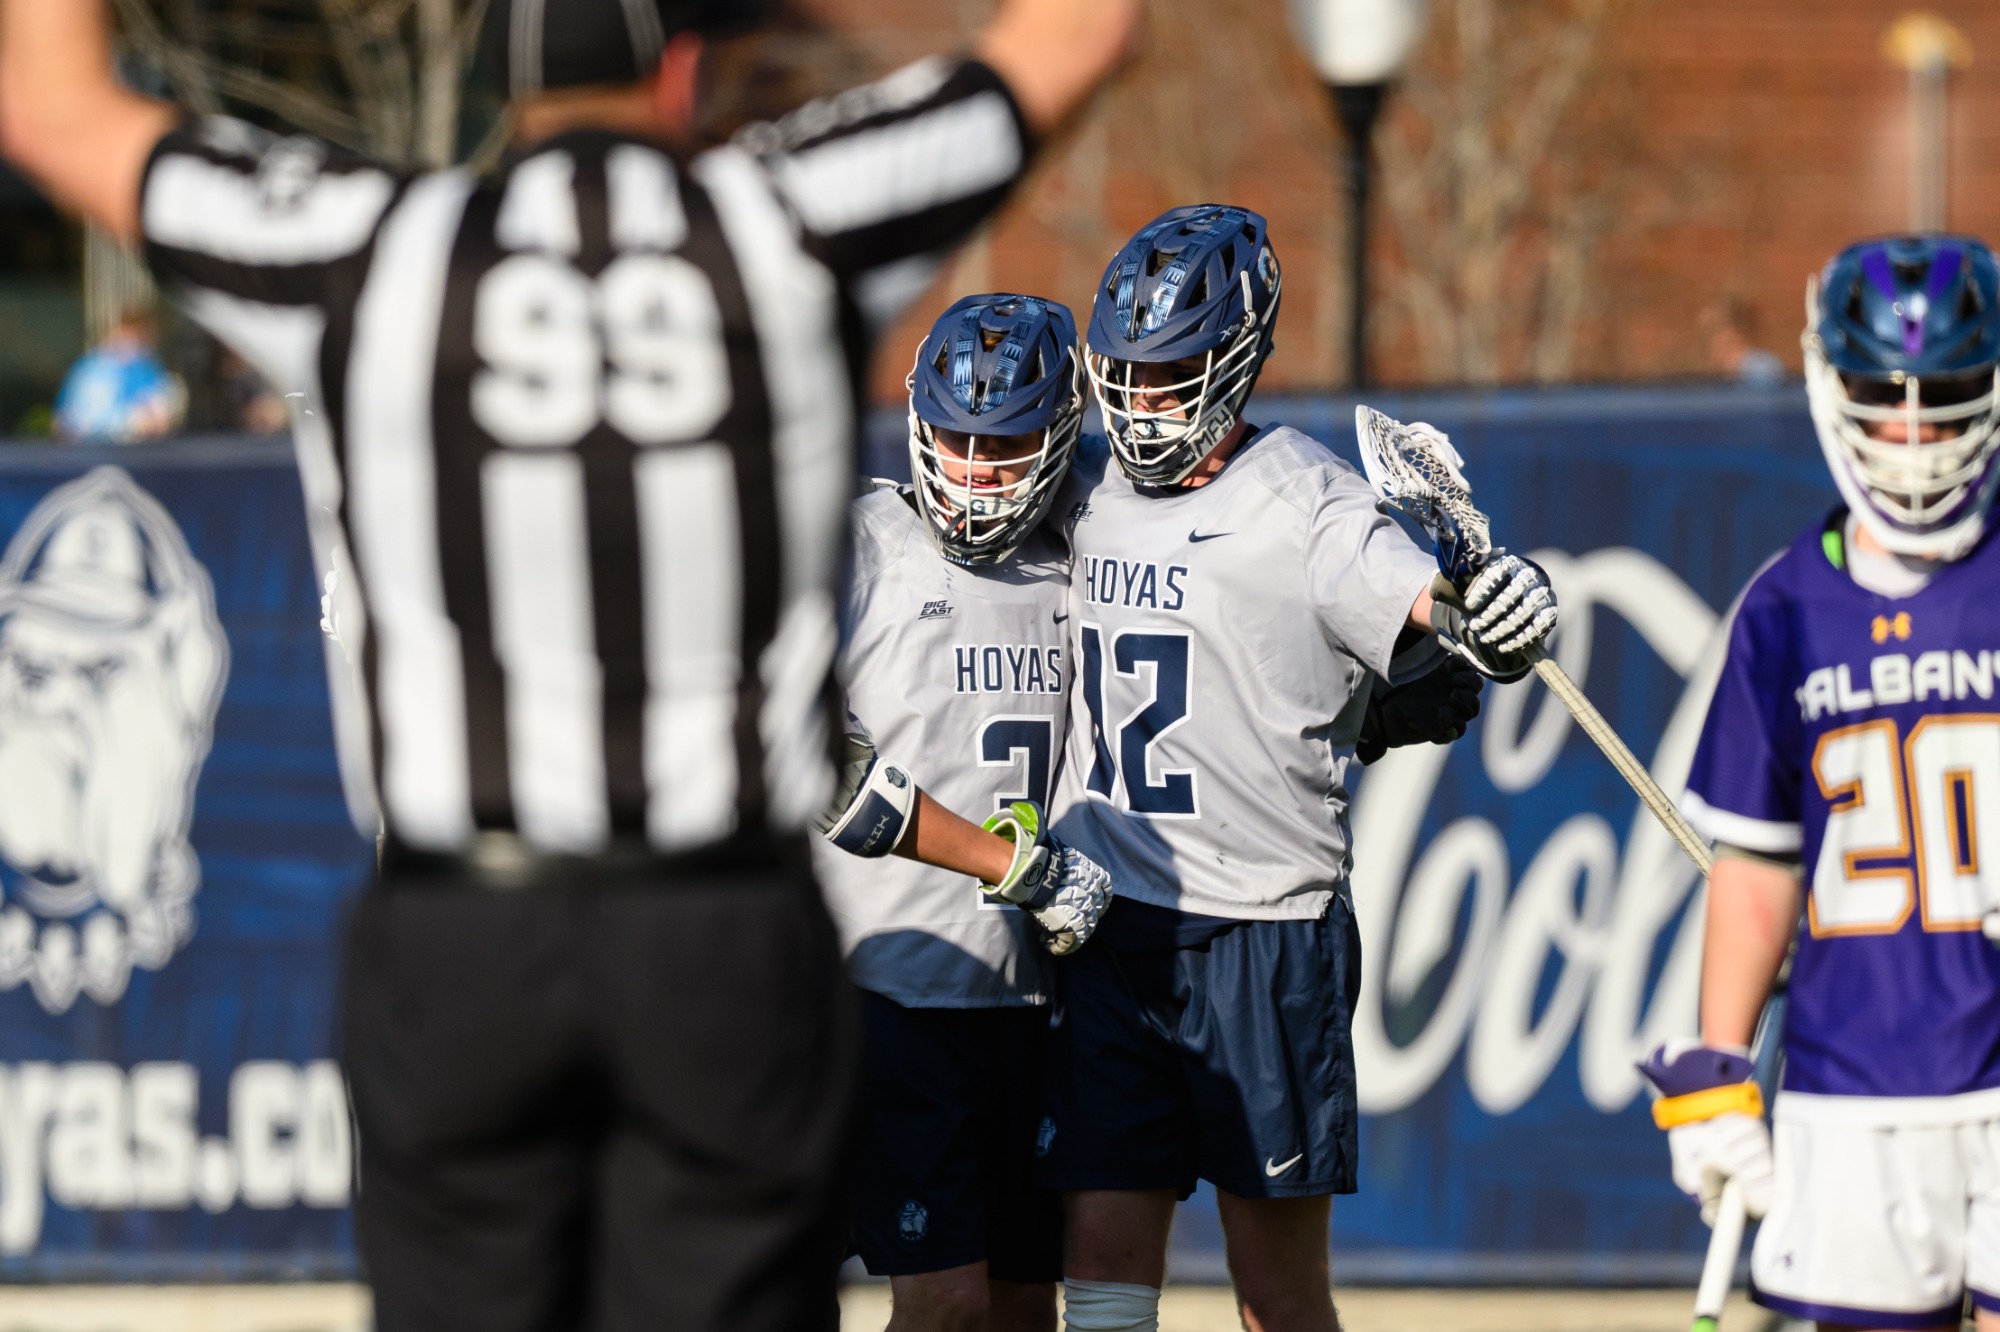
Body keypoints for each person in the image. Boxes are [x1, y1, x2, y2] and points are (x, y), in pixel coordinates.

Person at [0, 1, 1139, 1328]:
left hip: (466, 928)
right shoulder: (784, 225)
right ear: (682, 73)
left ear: (498, 88)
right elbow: (1081, 34)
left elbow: (56, 108)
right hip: (719, 926)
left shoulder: (372, 248)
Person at [1038, 204, 1546, 1332]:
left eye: (1169, 373)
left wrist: (1490, 604)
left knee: (1273, 1288)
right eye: (1121, 370)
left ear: (1234, 361)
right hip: (1111, 925)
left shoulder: (1308, 503)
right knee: (1104, 1276)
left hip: (1260, 934)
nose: (1137, 400)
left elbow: (1439, 611)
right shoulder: (1092, 487)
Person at [1644, 234, 2000, 1332]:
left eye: (1938, 397)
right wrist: (1713, 1065)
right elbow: (1754, 865)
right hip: (1852, 1088)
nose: (1906, 431)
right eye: (1876, 396)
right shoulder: (1786, 605)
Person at [816, 292, 1100, 1332]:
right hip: (890, 988)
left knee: (1026, 1307)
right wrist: (1006, 864)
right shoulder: (861, 544)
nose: (975, 465)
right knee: (942, 1305)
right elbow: (818, 767)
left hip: (1038, 998)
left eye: (1006, 438)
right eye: (956, 435)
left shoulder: (1086, 541)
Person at [53, 308, 185, 442]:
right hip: (121, 452)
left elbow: (62, 422)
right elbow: (157, 421)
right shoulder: (139, 366)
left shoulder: (86, 365)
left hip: (86, 453)